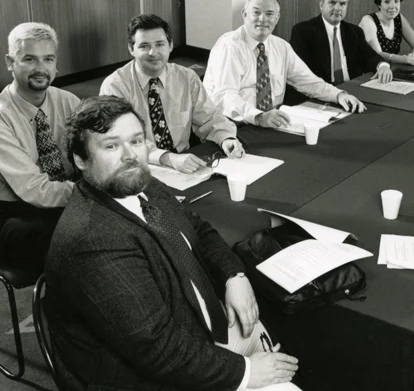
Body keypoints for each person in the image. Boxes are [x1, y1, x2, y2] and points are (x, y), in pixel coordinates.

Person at [45, 96, 299, 390]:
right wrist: (245, 373)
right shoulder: (94, 240)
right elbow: (156, 349)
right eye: (111, 146)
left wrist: (234, 275)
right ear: (80, 160)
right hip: (149, 373)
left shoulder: (142, 184)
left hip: (196, 326)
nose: (130, 155)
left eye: (136, 141)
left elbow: (197, 229)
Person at [0, 22, 79, 268]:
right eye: (29, 59)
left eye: (48, 59)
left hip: (61, 196)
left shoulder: (69, 102)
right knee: (70, 241)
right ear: (10, 62)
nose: (41, 68)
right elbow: (33, 188)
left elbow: (94, 151)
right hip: (8, 212)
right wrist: (92, 196)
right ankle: (57, 305)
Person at [100, 14, 244, 174]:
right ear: (131, 49)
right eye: (144, 46)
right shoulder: (115, 86)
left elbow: (209, 118)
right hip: (136, 168)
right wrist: (167, 158)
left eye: (160, 44)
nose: (153, 53)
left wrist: (226, 139)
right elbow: (122, 139)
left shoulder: (187, 77)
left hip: (184, 164)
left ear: (170, 45)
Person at [204, 0, 365, 130]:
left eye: (269, 14)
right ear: (244, 14)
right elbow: (225, 96)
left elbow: (308, 82)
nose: (263, 19)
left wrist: (339, 95)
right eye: (256, 12)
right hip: (230, 126)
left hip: (270, 121)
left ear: (278, 17)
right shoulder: (230, 46)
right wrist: (259, 117)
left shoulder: (281, 47)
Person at [291, 0, 393, 85]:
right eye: (332, 3)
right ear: (321, 5)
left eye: (342, 4)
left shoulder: (354, 32)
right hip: (322, 92)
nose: (338, 8)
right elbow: (302, 73)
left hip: (352, 89)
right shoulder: (303, 31)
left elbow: (370, 56)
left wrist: (383, 66)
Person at [358, 0, 414, 66]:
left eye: (396, 1)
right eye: (387, 1)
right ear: (379, 4)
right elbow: (378, 55)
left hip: (389, 70)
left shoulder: (398, 18)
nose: (393, 6)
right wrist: (407, 59)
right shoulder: (368, 21)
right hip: (368, 72)